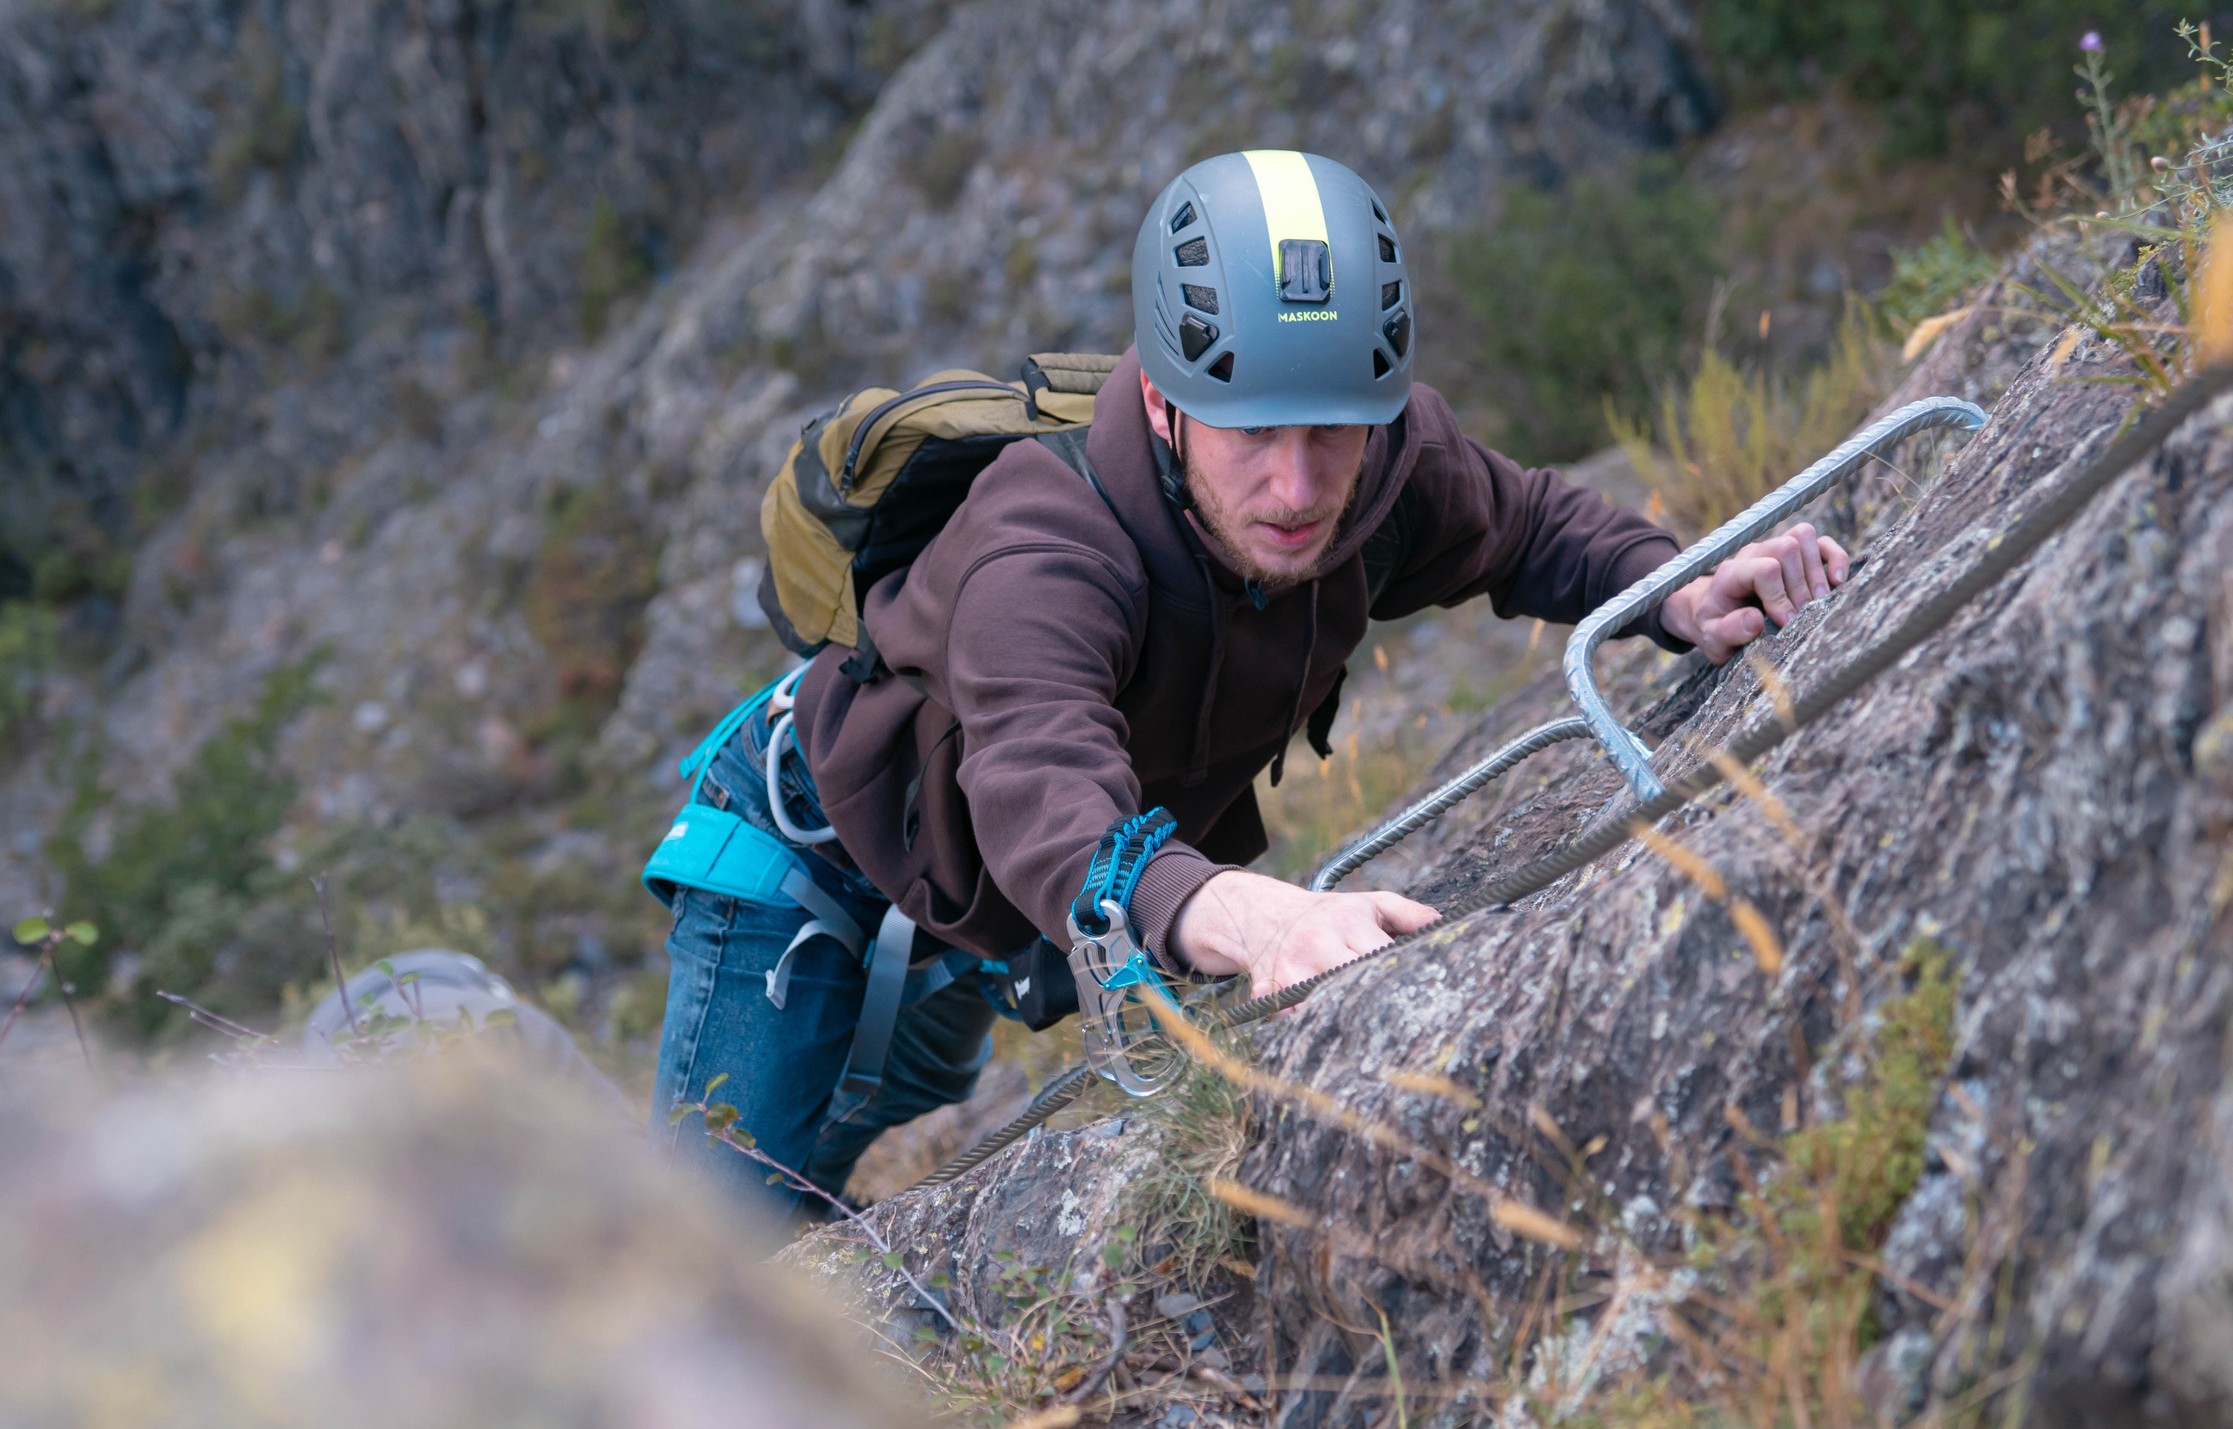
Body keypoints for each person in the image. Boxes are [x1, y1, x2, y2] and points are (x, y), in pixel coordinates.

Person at [651, 149, 1851, 1213]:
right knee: (720, 1233)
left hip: (971, 906)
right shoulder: (1048, 545)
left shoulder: (1384, 460)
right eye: (1253, 434)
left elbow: (1528, 526)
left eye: (1332, 429)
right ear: (1167, 404)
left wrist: (1675, 587)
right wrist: (1251, 912)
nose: (1296, 488)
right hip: (813, 860)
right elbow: (1043, 785)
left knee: (864, 1130)